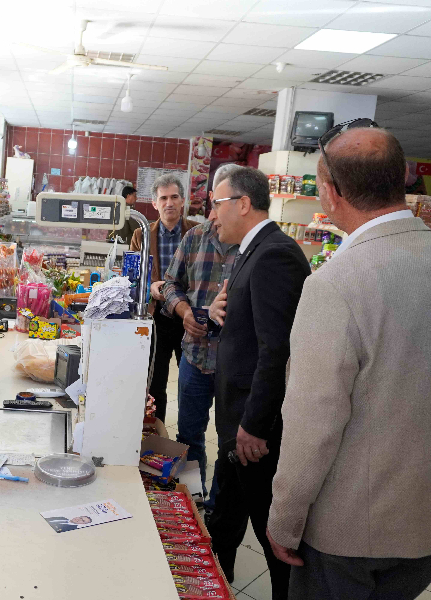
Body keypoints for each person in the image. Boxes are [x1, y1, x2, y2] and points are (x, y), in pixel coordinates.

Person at [267, 126, 431, 600]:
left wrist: (284, 520)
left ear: (331, 193)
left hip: (351, 534)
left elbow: (313, 421)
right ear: (402, 179)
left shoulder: (335, 283)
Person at [206, 166, 310, 599]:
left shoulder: (275, 254)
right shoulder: (249, 252)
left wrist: (254, 425)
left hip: (254, 431)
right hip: (236, 424)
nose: (211, 215)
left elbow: (277, 351)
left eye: (216, 204)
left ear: (243, 204)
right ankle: (214, 586)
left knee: (273, 536)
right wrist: (215, 317)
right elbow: (247, 331)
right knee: (222, 522)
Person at [160, 164, 241, 510]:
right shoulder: (194, 238)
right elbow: (168, 284)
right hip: (194, 358)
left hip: (234, 366)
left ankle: (219, 510)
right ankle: (193, 500)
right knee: (189, 437)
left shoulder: (253, 247)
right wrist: (184, 312)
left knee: (231, 445)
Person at [130, 173, 198, 423]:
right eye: (163, 198)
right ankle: (156, 432)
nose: (169, 203)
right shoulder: (142, 235)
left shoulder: (198, 233)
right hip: (156, 317)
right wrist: (151, 286)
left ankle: (187, 436)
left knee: (190, 382)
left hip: (189, 318)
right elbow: (133, 277)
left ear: (182, 201)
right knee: (155, 381)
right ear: (155, 203)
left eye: (174, 197)